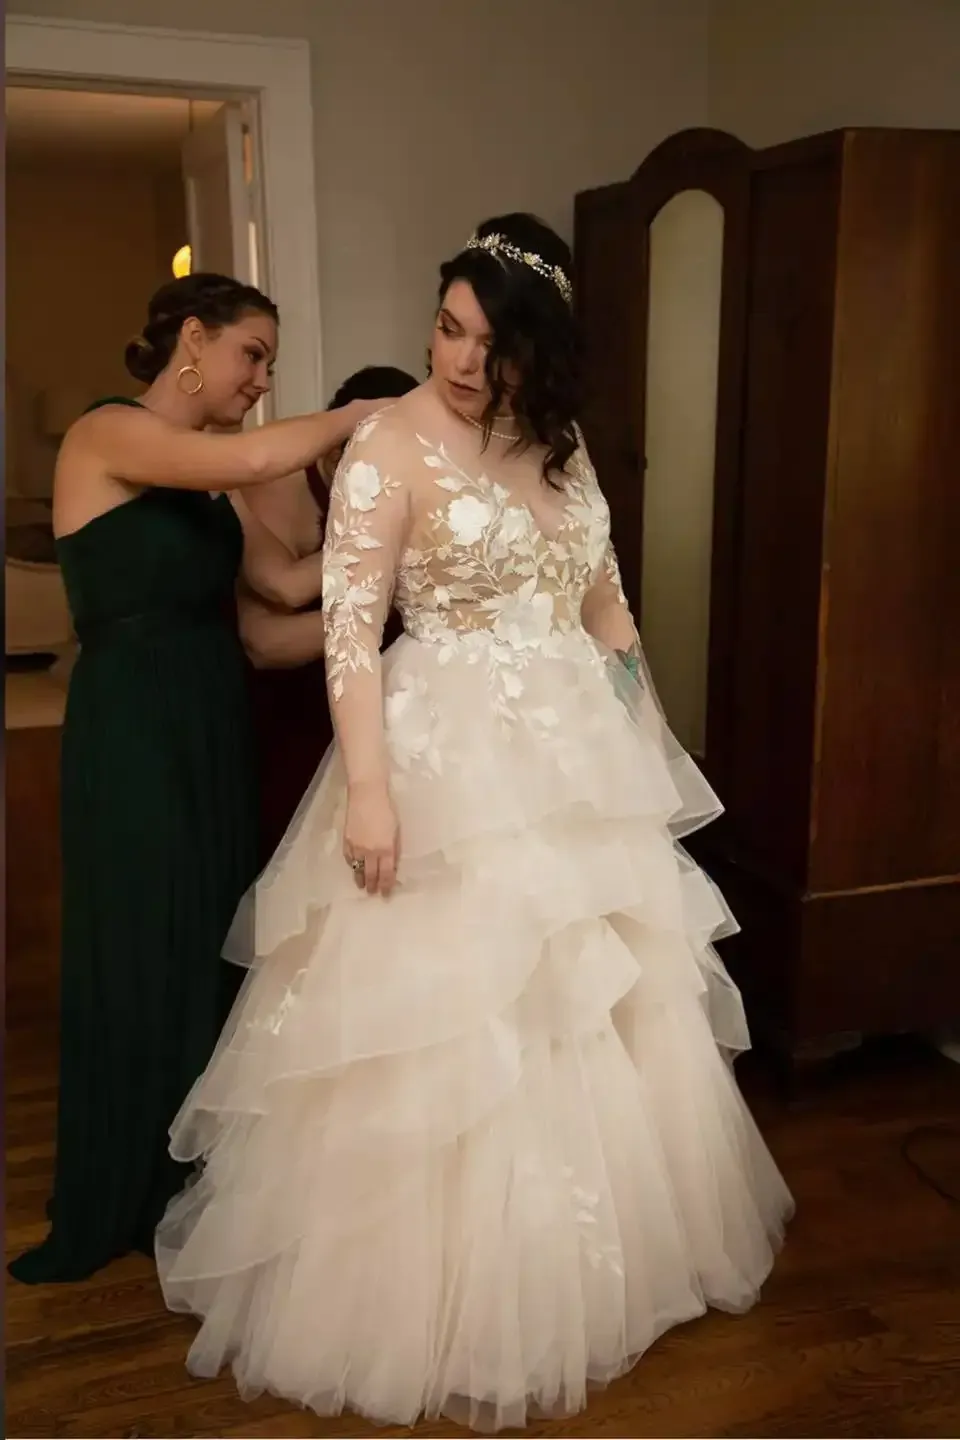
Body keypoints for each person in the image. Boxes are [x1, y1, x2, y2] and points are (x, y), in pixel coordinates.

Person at [156, 219, 794, 1431]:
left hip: (575, 765)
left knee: (597, 1004)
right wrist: (372, 789)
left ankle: (600, 1272)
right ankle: (439, 1298)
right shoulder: (389, 444)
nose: (459, 360)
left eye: (491, 345)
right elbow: (351, 633)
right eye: (448, 328)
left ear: (538, 354)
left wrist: (647, 750)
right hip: (444, 762)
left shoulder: (564, 445)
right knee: (459, 1017)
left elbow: (607, 610)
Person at [9, 273, 385, 1286]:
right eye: (251, 354)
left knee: (208, 941)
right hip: (134, 723)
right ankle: (119, 1183)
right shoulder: (108, 434)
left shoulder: (210, 479)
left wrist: (398, 571)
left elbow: (279, 585)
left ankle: (190, 1184)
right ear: (191, 339)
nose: (260, 379)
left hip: (211, 719)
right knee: (139, 936)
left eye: (269, 362)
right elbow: (259, 455)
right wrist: (365, 413)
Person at [237, 366, 418, 864]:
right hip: (296, 711)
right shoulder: (280, 491)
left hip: (390, 714)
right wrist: (385, 564)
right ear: (337, 454)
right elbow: (264, 640)